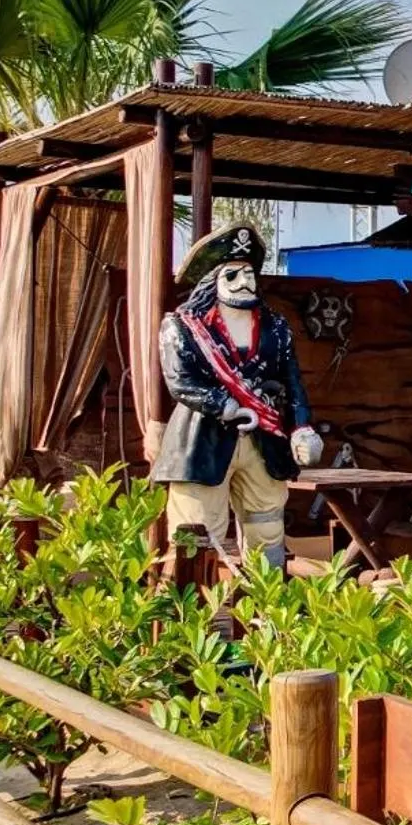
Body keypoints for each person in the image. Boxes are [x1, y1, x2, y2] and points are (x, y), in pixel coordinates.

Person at [152, 224, 323, 569]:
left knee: (268, 527)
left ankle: (268, 598)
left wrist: (302, 428)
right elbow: (180, 382)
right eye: (232, 275)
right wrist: (226, 406)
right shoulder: (183, 327)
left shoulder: (276, 328)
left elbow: (292, 382)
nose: (244, 282)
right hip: (202, 441)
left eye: (249, 274)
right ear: (212, 281)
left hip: (263, 439)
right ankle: (188, 601)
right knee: (196, 532)